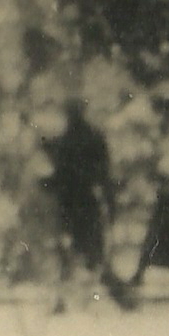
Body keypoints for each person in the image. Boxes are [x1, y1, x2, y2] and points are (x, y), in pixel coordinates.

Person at [43, 98, 136, 309]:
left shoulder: (67, 142)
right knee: (87, 255)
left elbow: (62, 175)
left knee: (77, 254)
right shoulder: (91, 138)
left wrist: (48, 183)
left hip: (73, 205)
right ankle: (122, 299)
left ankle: (122, 299)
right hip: (85, 204)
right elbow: (103, 174)